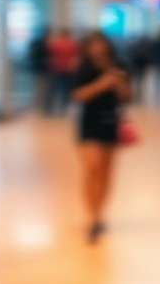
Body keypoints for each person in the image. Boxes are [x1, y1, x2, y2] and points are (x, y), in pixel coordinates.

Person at [72, 33, 130, 242]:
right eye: (92, 44)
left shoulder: (119, 65)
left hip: (111, 121)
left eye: (100, 44)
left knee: (106, 172)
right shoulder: (83, 68)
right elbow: (77, 95)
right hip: (89, 122)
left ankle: (100, 213)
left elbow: (126, 96)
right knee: (92, 168)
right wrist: (101, 85)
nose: (97, 49)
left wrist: (117, 83)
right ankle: (92, 216)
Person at [47, 29, 81, 116]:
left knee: (58, 89)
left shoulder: (56, 43)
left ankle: (57, 107)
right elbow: (77, 56)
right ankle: (64, 107)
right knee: (66, 89)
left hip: (58, 68)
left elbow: (50, 55)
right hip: (68, 69)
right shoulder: (72, 44)